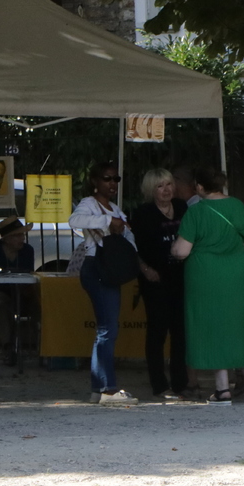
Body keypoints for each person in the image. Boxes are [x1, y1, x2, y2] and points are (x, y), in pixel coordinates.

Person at [171, 168, 244, 405]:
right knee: (233, 326)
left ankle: (222, 389)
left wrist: (173, 248)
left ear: (200, 187)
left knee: (210, 327)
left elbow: (182, 251)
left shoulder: (196, 212)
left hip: (204, 276)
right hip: (234, 274)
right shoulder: (237, 206)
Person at [69, 162, 139, 404]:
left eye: (115, 179)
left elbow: (128, 237)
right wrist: (107, 221)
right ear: (95, 181)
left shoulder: (116, 208)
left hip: (110, 269)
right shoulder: (89, 203)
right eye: (107, 178)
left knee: (107, 329)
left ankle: (99, 388)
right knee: (107, 330)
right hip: (96, 266)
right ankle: (107, 389)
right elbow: (74, 220)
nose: (112, 183)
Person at [131, 168, 189, 399]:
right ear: (151, 190)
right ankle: (159, 385)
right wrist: (145, 269)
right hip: (155, 279)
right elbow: (133, 246)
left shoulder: (183, 208)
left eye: (168, 184)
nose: (166, 190)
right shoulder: (143, 214)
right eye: (159, 186)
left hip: (181, 277)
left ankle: (180, 383)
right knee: (157, 331)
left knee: (180, 331)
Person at [0, 216, 36, 365]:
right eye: (17, 235)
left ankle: (44, 347)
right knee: (1, 302)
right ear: (6, 239)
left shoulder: (27, 250)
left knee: (39, 302)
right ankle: (8, 348)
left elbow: (28, 273)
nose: (22, 238)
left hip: (21, 294)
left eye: (22, 235)